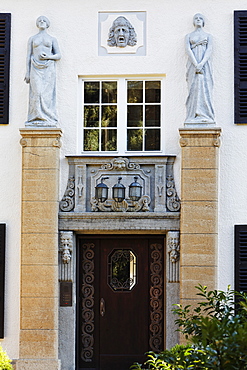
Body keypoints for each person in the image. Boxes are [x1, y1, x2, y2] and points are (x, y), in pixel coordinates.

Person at [25, 16, 61, 126]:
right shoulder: (32, 38)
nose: (41, 22)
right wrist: (27, 72)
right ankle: (35, 117)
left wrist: (48, 57)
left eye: (44, 20)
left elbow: (58, 55)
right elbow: (28, 56)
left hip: (48, 67)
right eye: (39, 20)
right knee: (37, 92)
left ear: (47, 24)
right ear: (37, 24)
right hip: (35, 67)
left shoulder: (52, 39)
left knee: (46, 93)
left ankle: (47, 117)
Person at [185, 13, 215, 123]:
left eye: (200, 18)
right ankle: (193, 114)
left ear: (203, 22)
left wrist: (201, 64)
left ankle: (205, 114)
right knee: (194, 88)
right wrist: (196, 64)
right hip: (193, 65)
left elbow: (209, 50)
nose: (198, 20)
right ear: (193, 22)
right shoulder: (188, 36)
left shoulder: (208, 36)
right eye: (196, 18)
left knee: (204, 87)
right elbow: (188, 50)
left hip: (204, 65)